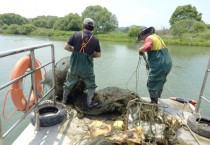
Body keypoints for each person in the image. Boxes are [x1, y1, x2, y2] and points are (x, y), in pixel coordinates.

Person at [62, 18, 101, 109]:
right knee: (91, 86)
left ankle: (64, 100)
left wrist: (74, 51)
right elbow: (98, 55)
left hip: (75, 68)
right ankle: (89, 103)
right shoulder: (95, 40)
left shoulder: (75, 35)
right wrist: (90, 55)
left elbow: (66, 47)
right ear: (92, 28)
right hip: (87, 70)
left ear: (83, 26)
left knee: (68, 84)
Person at [137, 27, 172, 104]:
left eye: (142, 38)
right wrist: (149, 63)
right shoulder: (157, 37)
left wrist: (140, 50)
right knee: (160, 82)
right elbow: (156, 52)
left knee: (151, 83)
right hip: (167, 63)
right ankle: (157, 99)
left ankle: (154, 103)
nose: (143, 40)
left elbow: (147, 47)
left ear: (144, 34)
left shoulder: (149, 38)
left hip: (160, 63)